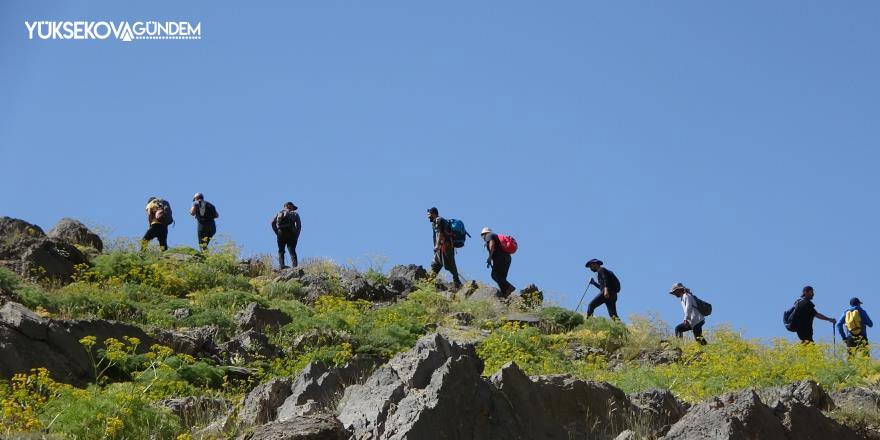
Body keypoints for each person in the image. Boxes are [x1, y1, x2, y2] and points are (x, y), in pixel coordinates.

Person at [427, 207, 461, 289]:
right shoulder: (434, 223)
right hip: (440, 248)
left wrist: (437, 245)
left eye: (429, 215)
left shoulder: (439, 220)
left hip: (446, 246)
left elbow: (440, 233)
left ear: (434, 214)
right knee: (435, 264)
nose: (428, 217)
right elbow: (434, 236)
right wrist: (436, 246)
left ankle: (457, 283)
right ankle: (429, 282)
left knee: (450, 265)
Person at [480, 227, 515, 297]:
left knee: (494, 275)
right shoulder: (495, 236)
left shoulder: (489, 235)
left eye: (482, 235)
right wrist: (491, 259)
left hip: (500, 258)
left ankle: (510, 287)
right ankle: (505, 294)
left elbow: (492, 245)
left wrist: (490, 257)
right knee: (501, 278)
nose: (482, 238)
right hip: (507, 258)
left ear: (484, 234)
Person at [271, 202, 301, 269]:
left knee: (281, 250)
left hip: (280, 233)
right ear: (292, 207)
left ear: (285, 207)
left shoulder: (279, 213)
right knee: (292, 250)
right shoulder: (295, 214)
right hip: (291, 234)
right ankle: (295, 268)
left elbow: (272, 223)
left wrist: (277, 232)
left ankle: (281, 265)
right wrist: (296, 236)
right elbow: (299, 226)